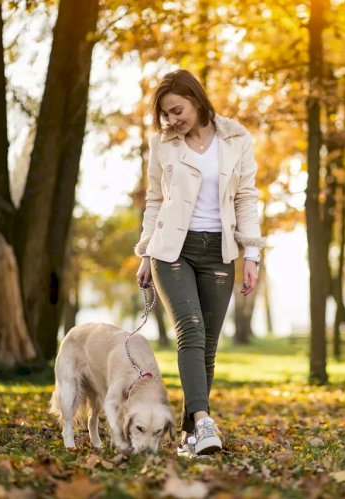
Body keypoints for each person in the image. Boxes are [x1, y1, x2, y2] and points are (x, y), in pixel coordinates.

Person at [135, 69, 264, 457]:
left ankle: (191, 434)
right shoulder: (163, 145)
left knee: (207, 345)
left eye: (178, 110)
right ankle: (205, 422)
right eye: (167, 115)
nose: (173, 120)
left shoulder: (237, 139)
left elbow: (246, 197)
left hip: (219, 252)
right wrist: (145, 251)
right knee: (189, 329)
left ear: (196, 98)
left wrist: (252, 255)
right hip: (172, 250)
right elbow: (154, 199)